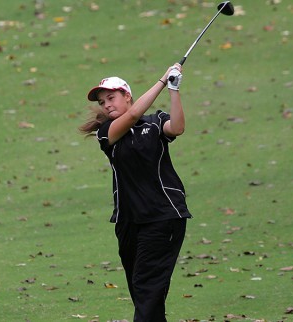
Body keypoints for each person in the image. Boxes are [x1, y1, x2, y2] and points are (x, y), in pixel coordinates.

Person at [79, 63, 192, 321]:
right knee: (143, 293)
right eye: (102, 101)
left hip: (163, 216)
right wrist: (162, 80)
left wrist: (174, 89)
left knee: (147, 288)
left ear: (127, 96)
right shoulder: (106, 133)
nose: (106, 105)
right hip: (128, 222)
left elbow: (177, 128)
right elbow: (130, 118)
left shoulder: (155, 123)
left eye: (111, 98)